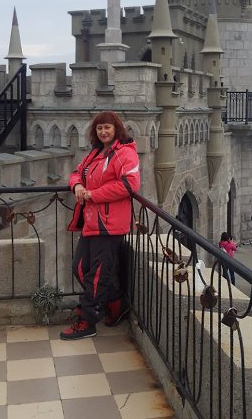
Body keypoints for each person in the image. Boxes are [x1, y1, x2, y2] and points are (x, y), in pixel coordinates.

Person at [60, 111, 140, 340]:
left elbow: (130, 184)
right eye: (99, 128)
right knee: (80, 267)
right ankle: (115, 303)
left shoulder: (125, 153)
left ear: (116, 129)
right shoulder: (95, 153)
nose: (103, 132)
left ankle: (88, 321)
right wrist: (77, 186)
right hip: (92, 221)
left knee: (97, 274)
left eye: (107, 127)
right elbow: (76, 173)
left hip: (109, 224)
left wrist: (93, 195)